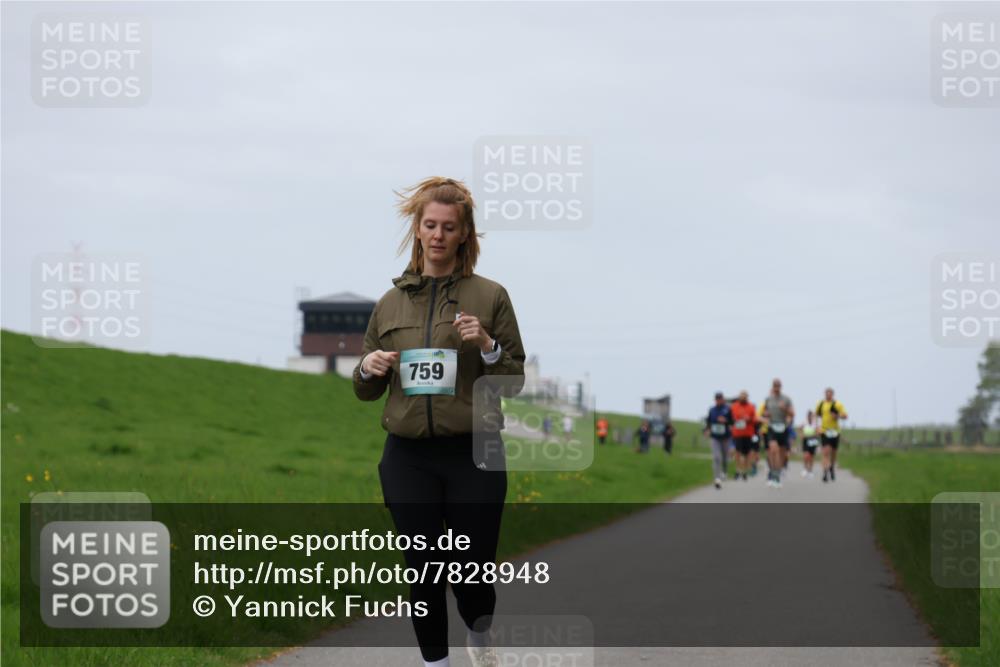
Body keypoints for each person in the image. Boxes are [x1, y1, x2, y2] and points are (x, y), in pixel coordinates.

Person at [354, 176, 526, 667]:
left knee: (471, 572)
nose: (437, 235)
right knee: (422, 568)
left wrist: (488, 347)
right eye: (429, 225)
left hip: (475, 453)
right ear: (417, 229)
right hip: (408, 457)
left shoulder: (490, 296)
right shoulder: (389, 303)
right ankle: (436, 662)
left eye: (448, 227)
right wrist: (367, 368)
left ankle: (479, 630)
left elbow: (512, 379)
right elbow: (365, 388)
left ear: (464, 235)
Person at [761, 378, 795, 488]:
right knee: (773, 450)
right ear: (772, 386)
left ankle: (777, 475)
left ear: (781, 386)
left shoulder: (786, 399)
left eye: (778, 385)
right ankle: (773, 473)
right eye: (775, 385)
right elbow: (764, 413)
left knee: (781, 454)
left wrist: (784, 409)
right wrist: (765, 415)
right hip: (772, 427)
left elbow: (792, 413)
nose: (776, 388)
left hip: (783, 427)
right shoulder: (768, 399)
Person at [815, 388, 848, 483]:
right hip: (824, 430)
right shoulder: (821, 404)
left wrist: (837, 416)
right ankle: (825, 472)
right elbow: (816, 415)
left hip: (835, 431)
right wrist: (817, 427)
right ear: (824, 394)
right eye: (826, 393)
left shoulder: (837, 404)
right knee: (826, 452)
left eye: (830, 394)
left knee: (833, 453)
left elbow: (845, 416)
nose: (828, 395)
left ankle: (831, 467)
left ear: (833, 394)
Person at [703, 392, 733, 489]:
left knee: (724, 457)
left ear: (723, 399)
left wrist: (726, 421)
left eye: (720, 399)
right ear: (715, 400)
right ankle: (717, 478)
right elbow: (708, 422)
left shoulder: (728, 409)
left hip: (725, 437)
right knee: (716, 457)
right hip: (715, 437)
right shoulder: (712, 410)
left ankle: (724, 471)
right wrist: (707, 430)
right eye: (717, 399)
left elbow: (733, 421)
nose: (719, 400)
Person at [730, 391, 757, 481]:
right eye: (741, 397)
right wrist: (734, 420)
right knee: (737, 452)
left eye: (744, 397)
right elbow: (730, 418)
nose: (743, 398)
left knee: (746, 454)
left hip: (748, 433)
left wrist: (749, 419)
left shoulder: (751, 407)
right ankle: (738, 470)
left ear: (747, 398)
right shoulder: (734, 406)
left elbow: (755, 419)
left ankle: (744, 471)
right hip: (737, 433)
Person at [800, 410, 821, 478]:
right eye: (808, 416)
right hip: (806, 440)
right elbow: (800, 429)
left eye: (811, 416)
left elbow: (818, 433)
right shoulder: (804, 423)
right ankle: (805, 469)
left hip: (813, 440)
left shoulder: (815, 423)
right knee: (806, 455)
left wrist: (814, 435)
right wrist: (802, 435)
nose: (810, 417)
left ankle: (810, 470)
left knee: (811, 456)